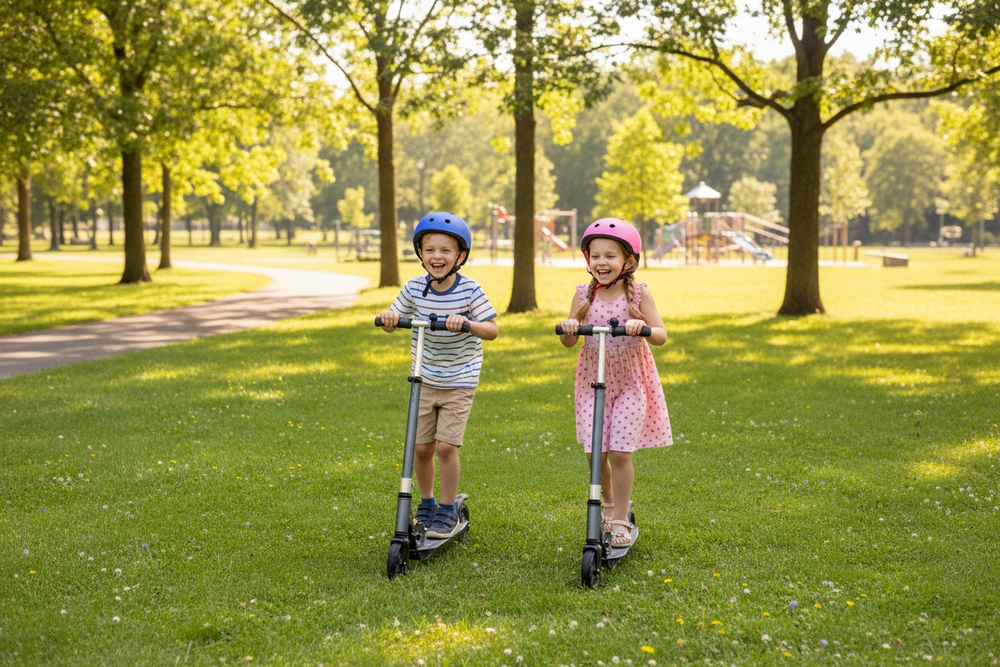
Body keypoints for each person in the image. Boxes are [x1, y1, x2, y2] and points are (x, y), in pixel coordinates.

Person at [379, 212, 499, 539]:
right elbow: (396, 315)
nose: (437, 256)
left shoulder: (470, 289)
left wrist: (467, 323)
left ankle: (447, 509)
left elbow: (491, 329)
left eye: (446, 250)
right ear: (420, 253)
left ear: (460, 256)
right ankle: (428, 502)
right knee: (420, 448)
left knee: (446, 447)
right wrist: (391, 319)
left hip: (460, 379)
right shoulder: (415, 287)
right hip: (424, 377)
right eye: (430, 249)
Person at [558, 218, 672, 547]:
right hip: (594, 382)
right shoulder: (583, 294)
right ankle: (606, 505)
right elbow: (569, 342)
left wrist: (643, 327)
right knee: (597, 454)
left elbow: (662, 335)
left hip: (631, 383)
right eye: (595, 256)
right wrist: (570, 327)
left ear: (628, 261)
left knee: (621, 453)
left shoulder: (639, 293)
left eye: (610, 256)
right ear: (587, 259)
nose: (601, 262)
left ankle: (621, 517)